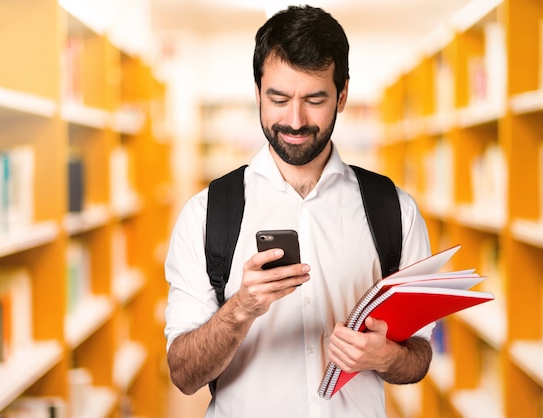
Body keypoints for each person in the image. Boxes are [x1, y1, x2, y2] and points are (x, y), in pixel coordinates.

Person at [164, 5, 434, 417]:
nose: (294, 119)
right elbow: (183, 375)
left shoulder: (394, 211)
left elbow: (418, 357)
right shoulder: (205, 215)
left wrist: (385, 357)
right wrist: (240, 308)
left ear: (342, 95)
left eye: (314, 99)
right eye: (278, 98)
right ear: (257, 93)